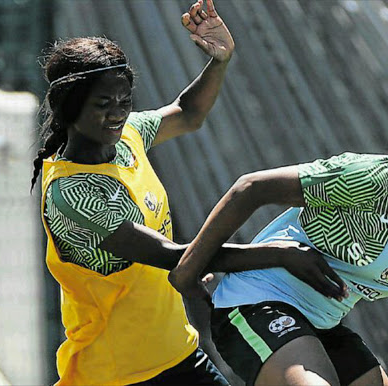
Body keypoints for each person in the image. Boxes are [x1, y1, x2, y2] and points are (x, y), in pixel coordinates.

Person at [31, 1, 346, 385]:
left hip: (179, 355)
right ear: (68, 108)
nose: (117, 113)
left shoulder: (127, 137)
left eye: (124, 101)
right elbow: (174, 257)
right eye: (103, 104)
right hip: (119, 375)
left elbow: (188, 112)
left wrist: (220, 60)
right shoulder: (73, 193)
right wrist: (278, 255)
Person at [169, 85, 388, 386]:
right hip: (257, 301)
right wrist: (188, 271)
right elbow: (251, 188)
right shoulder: (372, 181)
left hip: (323, 324)